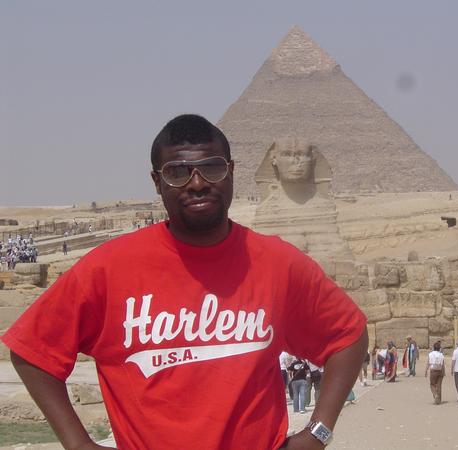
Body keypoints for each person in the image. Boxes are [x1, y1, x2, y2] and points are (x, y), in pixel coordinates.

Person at [2, 114, 368, 450]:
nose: (197, 183)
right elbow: (31, 350)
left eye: (212, 168)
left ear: (231, 172)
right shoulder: (108, 268)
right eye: (178, 172)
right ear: (157, 182)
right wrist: (78, 444)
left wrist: (318, 433)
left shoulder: (279, 263)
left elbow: (348, 335)